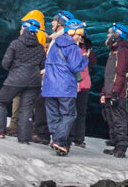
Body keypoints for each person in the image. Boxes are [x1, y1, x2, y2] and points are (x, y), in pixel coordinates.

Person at [0, 17, 47, 143]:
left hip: (15, 79)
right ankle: (24, 138)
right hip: (34, 81)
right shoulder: (40, 47)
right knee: (26, 108)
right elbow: (43, 65)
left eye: (22, 28)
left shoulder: (15, 44)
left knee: (0, 101)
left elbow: (5, 63)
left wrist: (15, 69)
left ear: (24, 30)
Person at [42, 19, 89, 155]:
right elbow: (76, 67)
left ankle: (56, 139)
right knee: (69, 114)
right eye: (78, 34)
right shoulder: (73, 48)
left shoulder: (54, 43)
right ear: (72, 32)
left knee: (53, 115)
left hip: (50, 85)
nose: (80, 37)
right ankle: (58, 140)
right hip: (65, 86)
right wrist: (85, 58)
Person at [100, 23, 128, 158]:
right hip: (110, 91)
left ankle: (121, 146)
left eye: (110, 33)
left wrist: (115, 93)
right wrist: (104, 93)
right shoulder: (113, 51)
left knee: (118, 119)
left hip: (118, 92)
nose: (107, 35)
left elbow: (120, 73)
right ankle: (115, 144)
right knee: (111, 118)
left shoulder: (122, 51)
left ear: (116, 35)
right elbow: (108, 75)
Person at [70, 30, 96, 148]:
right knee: (75, 112)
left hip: (81, 83)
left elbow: (93, 62)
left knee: (78, 112)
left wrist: (90, 52)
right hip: (79, 83)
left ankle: (77, 138)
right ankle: (75, 137)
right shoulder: (78, 47)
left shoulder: (84, 48)